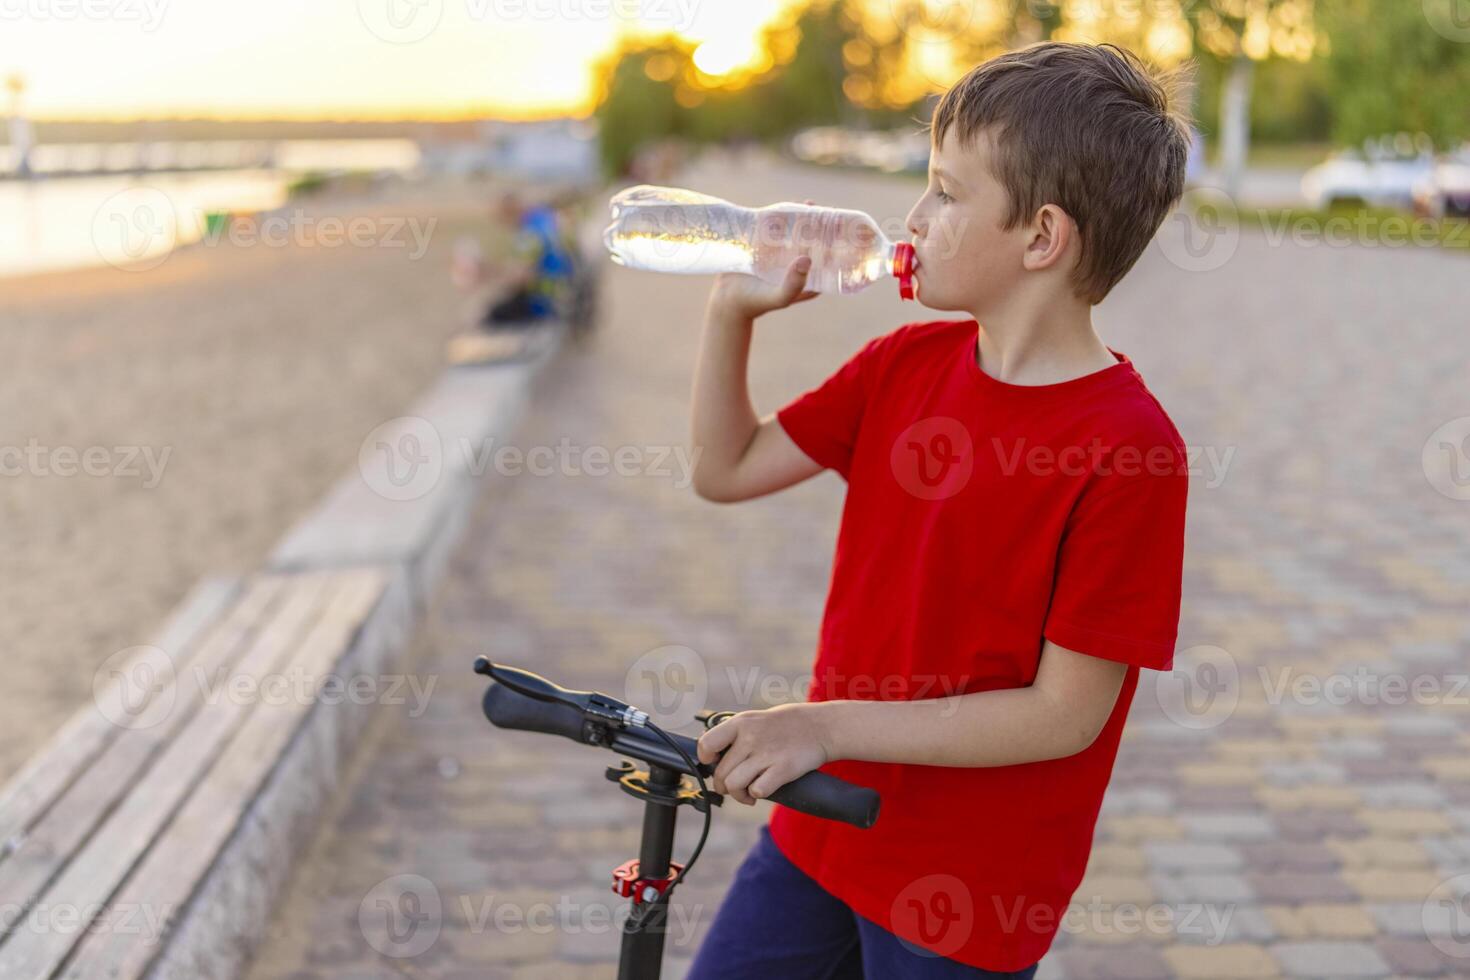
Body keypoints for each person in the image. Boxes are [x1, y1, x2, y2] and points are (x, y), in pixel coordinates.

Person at [683, 42, 1192, 977]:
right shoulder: (901, 367)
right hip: (820, 826)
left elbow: (1061, 716)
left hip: (968, 885)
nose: (913, 218)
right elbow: (727, 467)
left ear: (1041, 237)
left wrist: (822, 724)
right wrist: (731, 315)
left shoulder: (1130, 449)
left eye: (947, 194)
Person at [481, 188, 577, 326]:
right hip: (564, 289)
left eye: (501, 217)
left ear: (509, 211)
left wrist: (488, 271)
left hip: (545, 301)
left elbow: (522, 276)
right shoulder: (543, 217)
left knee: (490, 316)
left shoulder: (527, 235)